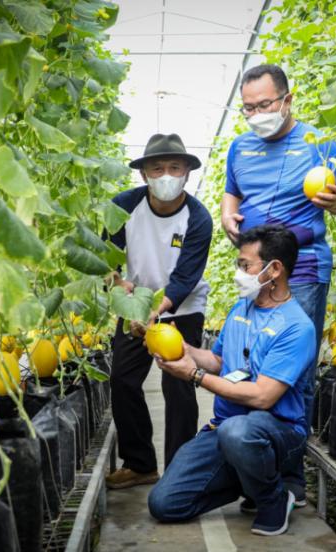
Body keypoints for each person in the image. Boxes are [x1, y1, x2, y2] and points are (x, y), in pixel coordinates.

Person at [219, 64, 336, 504]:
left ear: (287, 100)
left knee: (296, 374)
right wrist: (227, 215)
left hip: (304, 270)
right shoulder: (240, 147)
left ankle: (292, 477)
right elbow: (231, 193)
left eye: (264, 104)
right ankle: (257, 469)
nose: (256, 114)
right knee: (252, 363)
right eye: (248, 108)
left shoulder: (319, 143)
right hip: (254, 269)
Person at [148, 225, 315, 536]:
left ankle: (273, 498)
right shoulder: (241, 308)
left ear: (274, 269)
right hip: (225, 430)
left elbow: (263, 396)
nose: (239, 273)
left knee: (238, 432)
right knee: (164, 504)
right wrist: (185, 351)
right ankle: (249, 480)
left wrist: (193, 375)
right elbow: (219, 362)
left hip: (276, 432)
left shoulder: (296, 327)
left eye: (245, 265)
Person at [105, 133, 213, 490]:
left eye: (175, 167)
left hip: (183, 309)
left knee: (179, 384)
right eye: (157, 168)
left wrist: (155, 311)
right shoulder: (123, 206)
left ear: (186, 173)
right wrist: (120, 285)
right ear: (144, 174)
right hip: (135, 304)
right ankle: (140, 464)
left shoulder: (198, 218)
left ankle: (179, 472)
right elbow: (107, 257)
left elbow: (185, 277)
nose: (166, 175)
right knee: (122, 379)